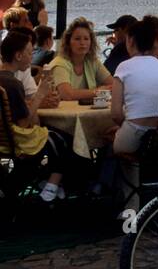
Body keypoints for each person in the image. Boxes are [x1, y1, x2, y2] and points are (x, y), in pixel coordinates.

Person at [0, 30, 69, 202]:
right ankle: (50, 189)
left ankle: (44, 184)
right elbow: (24, 124)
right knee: (61, 141)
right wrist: (40, 95)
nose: (32, 57)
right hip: (15, 140)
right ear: (18, 55)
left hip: (2, 139)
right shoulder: (13, 84)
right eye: (30, 53)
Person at [110, 16, 158, 158]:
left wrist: (126, 125)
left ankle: (109, 180)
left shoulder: (124, 67)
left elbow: (115, 113)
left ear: (131, 41)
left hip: (134, 133)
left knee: (108, 142)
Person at [47, 18, 113, 103]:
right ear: (68, 42)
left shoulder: (92, 61)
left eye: (86, 39)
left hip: (84, 113)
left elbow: (113, 85)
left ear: (91, 42)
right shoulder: (59, 63)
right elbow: (67, 95)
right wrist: (98, 91)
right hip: (59, 114)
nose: (82, 43)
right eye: (77, 39)